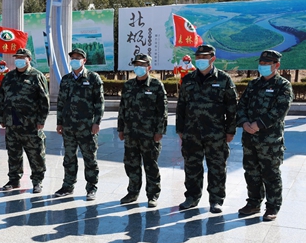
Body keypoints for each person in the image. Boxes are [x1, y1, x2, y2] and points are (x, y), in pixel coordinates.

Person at [176, 44, 237, 213]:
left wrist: (230, 130)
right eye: (198, 57)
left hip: (216, 133)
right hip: (191, 132)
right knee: (192, 166)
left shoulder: (224, 79)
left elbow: (232, 107)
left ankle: (216, 200)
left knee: (217, 167)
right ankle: (192, 197)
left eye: (205, 57)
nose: (201, 60)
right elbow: (181, 106)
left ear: (213, 59)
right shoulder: (188, 79)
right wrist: (180, 129)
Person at [237, 50, 293, 221]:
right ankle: (253, 203)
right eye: (261, 63)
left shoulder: (283, 86)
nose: (263, 66)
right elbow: (242, 105)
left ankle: (272, 207)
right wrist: (245, 123)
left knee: (271, 174)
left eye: (267, 64)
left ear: (277, 65)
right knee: (251, 172)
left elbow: (280, 110)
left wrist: (258, 124)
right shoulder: (253, 84)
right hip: (249, 138)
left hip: (270, 141)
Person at [117, 53, 167, 208]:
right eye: (136, 65)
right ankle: (132, 192)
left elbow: (162, 111)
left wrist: (159, 131)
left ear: (148, 67)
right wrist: (120, 128)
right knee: (131, 164)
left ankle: (153, 195)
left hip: (149, 134)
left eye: (142, 65)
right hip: (131, 133)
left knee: (151, 165)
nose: (138, 68)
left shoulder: (156, 85)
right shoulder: (128, 85)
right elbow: (122, 109)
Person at [54, 48, 105, 201]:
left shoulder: (93, 78)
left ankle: (91, 188)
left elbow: (99, 102)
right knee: (69, 158)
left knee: (90, 158)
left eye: (78, 57)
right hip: (69, 126)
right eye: (73, 58)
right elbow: (61, 102)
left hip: (87, 127)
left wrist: (97, 122)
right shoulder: (66, 79)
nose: (75, 60)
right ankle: (68, 186)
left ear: (84, 60)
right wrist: (59, 122)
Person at [0, 48, 50, 193]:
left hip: (30, 124)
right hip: (12, 123)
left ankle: (37, 181)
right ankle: (14, 180)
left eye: (22, 57)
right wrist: (2, 117)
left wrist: (41, 120)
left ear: (29, 59)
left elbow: (44, 100)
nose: (19, 60)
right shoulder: (9, 77)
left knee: (36, 154)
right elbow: (1, 98)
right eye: (17, 57)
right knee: (13, 154)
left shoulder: (36, 76)